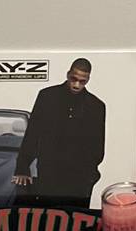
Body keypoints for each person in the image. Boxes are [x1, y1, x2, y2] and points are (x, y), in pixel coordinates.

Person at [11, 58, 106, 204]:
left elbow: (98, 145)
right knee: (48, 214)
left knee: (76, 216)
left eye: (82, 81)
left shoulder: (96, 106)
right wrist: (22, 168)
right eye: (74, 79)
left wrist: (89, 175)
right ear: (68, 74)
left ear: (88, 79)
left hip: (79, 179)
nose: (77, 85)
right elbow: (33, 133)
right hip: (49, 174)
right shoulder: (47, 97)